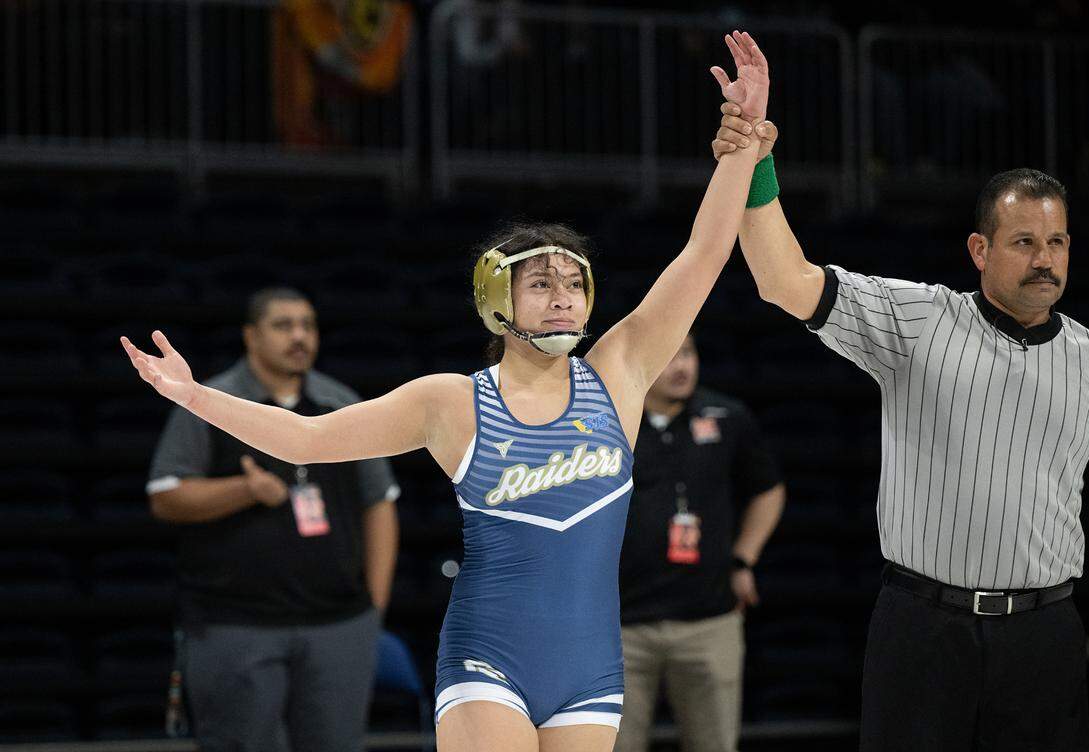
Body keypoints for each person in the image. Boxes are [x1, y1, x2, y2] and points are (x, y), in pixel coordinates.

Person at [122, 31, 771, 752]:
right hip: (488, 662)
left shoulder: (617, 371)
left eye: (574, 282)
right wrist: (190, 395)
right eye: (542, 282)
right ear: (498, 299)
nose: (564, 297)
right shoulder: (452, 401)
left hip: (591, 670)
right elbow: (306, 439)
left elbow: (708, 251)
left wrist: (744, 143)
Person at [711, 29, 1089, 752]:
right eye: (1024, 242)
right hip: (920, 627)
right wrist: (755, 158)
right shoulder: (916, 317)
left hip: (1044, 636)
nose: (1044, 260)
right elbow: (782, 280)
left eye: (1057, 242)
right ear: (980, 249)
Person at [145, 287, 401, 752]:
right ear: (250, 336)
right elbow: (165, 496)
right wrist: (243, 490)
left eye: (308, 325)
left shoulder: (339, 401)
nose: (299, 336)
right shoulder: (209, 400)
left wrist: (373, 607)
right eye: (283, 326)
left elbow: (379, 501)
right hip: (236, 624)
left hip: (338, 624)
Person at [615, 332, 785, 752]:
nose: (682, 366)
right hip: (620, 628)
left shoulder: (727, 417)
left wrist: (744, 560)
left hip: (709, 622)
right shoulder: (609, 422)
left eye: (688, 353)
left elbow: (769, 489)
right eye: (670, 355)